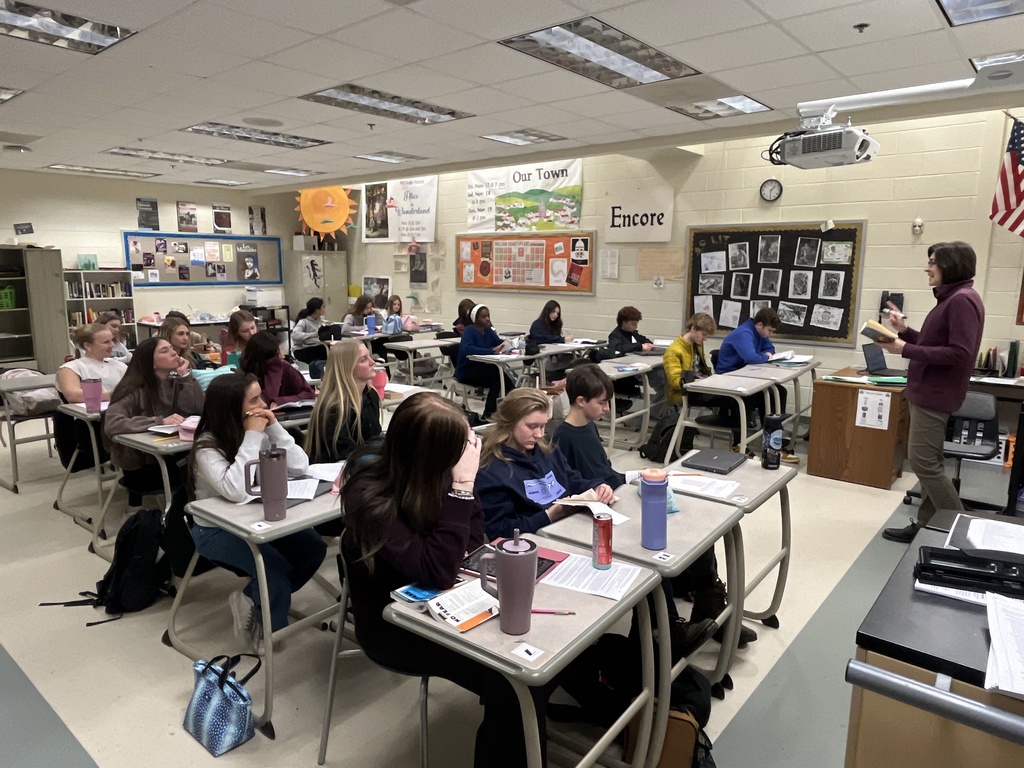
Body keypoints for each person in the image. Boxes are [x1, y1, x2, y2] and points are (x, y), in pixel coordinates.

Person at [342, 392, 558, 767]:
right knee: (513, 680)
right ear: (432, 453)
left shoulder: (437, 473)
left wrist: (460, 493)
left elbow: (472, 544)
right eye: (461, 448)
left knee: (541, 652)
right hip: (396, 626)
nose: (468, 455)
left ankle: (532, 729)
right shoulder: (368, 496)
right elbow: (441, 570)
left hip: (451, 601)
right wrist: (462, 488)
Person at [552, 364, 730, 652]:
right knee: (649, 547)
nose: (607, 409)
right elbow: (576, 485)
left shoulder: (588, 426)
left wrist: (637, 475)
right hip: (595, 514)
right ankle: (666, 629)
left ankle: (709, 602)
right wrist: (618, 483)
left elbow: (606, 475)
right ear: (581, 401)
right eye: (602, 402)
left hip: (612, 498)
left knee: (693, 528)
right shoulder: (565, 437)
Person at [189, 373, 326, 652]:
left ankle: (253, 598)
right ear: (231, 408)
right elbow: (235, 490)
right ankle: (269, 628)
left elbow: (299, 467)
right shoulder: (207, 445)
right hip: (215, 528)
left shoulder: (259, 432)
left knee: (313, 548)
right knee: (272, 570)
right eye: (254, 400)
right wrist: (252, 435)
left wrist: (274, 428)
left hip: (257, 518)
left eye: (260, 396)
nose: (263, 404)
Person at [881, 241, 985, 543]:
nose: (927, 268)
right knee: (931, 463)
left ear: (950, 265)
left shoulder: (961, 300)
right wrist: (905, 333)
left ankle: (964, 533)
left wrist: (905, 348)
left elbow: (960, 353)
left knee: (924, 463)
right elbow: (934, 344)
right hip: (927, 392)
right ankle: (926, 525)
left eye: (932, 262)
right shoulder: (952, 298)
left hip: (935, 394)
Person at [102, 337, 203, 551]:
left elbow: (196, 409)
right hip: (143, 466)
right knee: (197, 474)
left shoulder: (174, 381)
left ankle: (195, 528)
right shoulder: (133, 389)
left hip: (169, 455)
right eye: (165, 351)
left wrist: (186, 376)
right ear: (150, 361)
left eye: (172, 349)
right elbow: (112, 423)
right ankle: (181, 533)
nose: (174, 353)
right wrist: (158, 421)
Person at [475, 388, 613, 540]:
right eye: (532, 426)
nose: (539, 434)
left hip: (569, 528)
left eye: (542, 426)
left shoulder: (547, 451)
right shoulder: (490, 471)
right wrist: (549, 516)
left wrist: (597, 486)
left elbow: (572, 480)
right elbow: (499, 530)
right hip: (535, 541)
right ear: (509, 423)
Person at [714, 307, 799, 463]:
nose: (770, 334)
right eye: (769, 331)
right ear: (759, 325)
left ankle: (773, 442)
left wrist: (764, 355)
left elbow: (770, 349)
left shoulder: (760, 332)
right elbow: (751, 358)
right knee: (748, 397)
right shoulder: (744, 333)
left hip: (746, 376)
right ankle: (738, 444)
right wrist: (765, 356)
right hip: (729, 379)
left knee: (778, 392)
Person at [664, 313, 740, 452]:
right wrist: (700, 382)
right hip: (688, 393)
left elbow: (701, 369)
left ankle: (737, 438)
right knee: (734, 399)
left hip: (702, 387)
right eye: (703, 334)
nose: (705, 338)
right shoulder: (674, 351)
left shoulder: (697, 345)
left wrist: (712, 380)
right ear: (693, 328)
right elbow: (675, 382)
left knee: (739, 395)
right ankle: (737, 438)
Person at [305, 340, 381, 464]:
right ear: (347, 368)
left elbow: (374, 439)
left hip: (364, 465)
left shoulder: (371, 394)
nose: (372, 362)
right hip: (335, 469)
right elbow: (346, 455)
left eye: (370, 356)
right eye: (363, 359)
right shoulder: (334, 409)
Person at [455, 304, 515, 421]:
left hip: (483, 370)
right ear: (475, 318)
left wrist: (510, 344)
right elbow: (467, 348)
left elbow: (498, 342)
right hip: (467, 371)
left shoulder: (488, 331)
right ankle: (511, 397)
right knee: (496, 374)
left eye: (488, 316)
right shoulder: (469, 330)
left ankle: (490, 412)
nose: (487, 319)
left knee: (497, 378)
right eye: (483, 317)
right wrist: (491, 351)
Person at [239, 330, 314, 408]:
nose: (282, 357)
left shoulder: (286, 368)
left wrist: (281, 401)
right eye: (277, 354)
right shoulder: (245, 375)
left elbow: (309, 393)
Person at [56, 324, 128, 403]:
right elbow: (73, 395)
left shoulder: (120, 366)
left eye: (112, 340)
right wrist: (114, 395)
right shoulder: (71, 368)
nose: (112, 345)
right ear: (87, 346)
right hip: (89, 410)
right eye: (106, 342)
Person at [292, 297, 328, 364]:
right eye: (323, 307)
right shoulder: (304, 321)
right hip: (302, 350)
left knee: (330, 349)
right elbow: (294, 335)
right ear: (317, 310)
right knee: (323, 350)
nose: (324, 309)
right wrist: (313, 334)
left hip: (315, 346)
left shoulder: (321, 319)